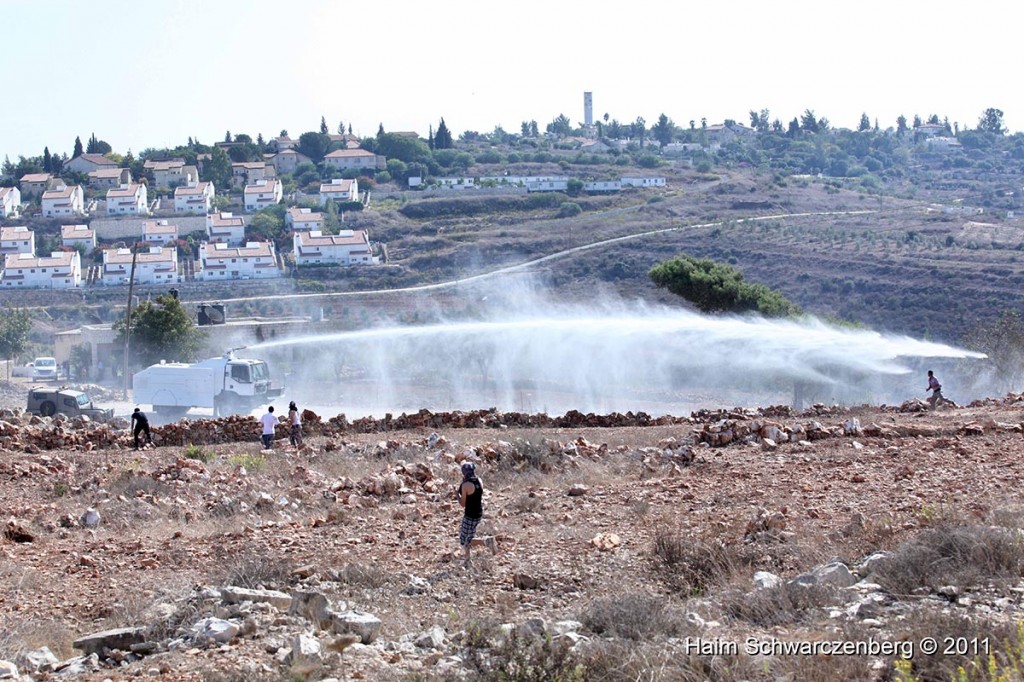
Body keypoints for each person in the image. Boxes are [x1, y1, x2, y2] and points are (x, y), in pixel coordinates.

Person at [458, 462, 484, 568]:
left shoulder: (465, 485)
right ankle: (467, 560)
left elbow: (462, 504)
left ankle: (486, 542)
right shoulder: (479, 480)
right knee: (471, 536)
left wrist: (456, 495)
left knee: (465, 539)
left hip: (469, 515)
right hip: (479, 513)